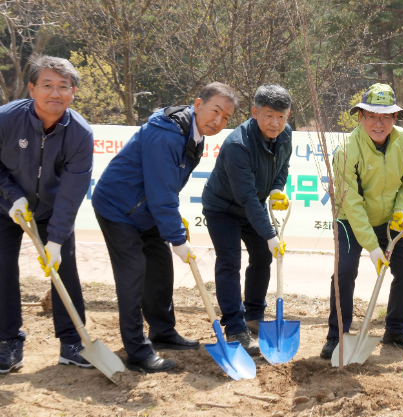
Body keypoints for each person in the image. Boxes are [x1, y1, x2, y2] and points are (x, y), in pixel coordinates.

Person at [91, 82, 237, 373]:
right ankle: (137, 352)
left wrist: (171, 226)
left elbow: (169, 186)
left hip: (146, 212)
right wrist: (176, 237)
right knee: (133, 277)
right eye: (215, 111)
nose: (218, 121)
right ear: (198, 104)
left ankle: (162, 332)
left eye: (226, 118)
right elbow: (161, 191)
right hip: (118, 208)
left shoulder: (194, 137)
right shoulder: (167, 134)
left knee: (159, 270)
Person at [0, 55, 94, 373]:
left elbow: (72, 191)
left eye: (63, 87)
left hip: (53, 210)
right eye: (47, 85)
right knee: (1, 269)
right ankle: (8, 342)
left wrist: (55, 239)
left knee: (64, 269)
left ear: (73, 92)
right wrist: (12, 198)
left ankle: (72, 342)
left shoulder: (80, 133)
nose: (55, 93)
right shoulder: (6, 120)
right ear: (32, 88)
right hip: (4, 208)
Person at [319, 83, 403, 359]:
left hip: (391, 221)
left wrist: (400, 212)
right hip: (350, 222)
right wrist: (373, 247)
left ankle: (397, 331)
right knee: (344, 272)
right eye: (372, 116)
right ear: (360, 117)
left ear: (395, 118)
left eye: (386, 116)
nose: (379, 123)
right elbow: (352, 204)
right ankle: (336, 335)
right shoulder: (347, 151)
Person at [201, 84, 292, 356]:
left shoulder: (285, 134)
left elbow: (282, 166)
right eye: (268, 116)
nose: (275, 123)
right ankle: (235, 327)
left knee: (263, 257)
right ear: (254, 112)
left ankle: (254, 315)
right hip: (223, 208)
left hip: (252, 205)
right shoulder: (237, 145)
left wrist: (277, 188)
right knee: (230, 262)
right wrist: (271, 235)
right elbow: (248, 198)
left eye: (281, 117)